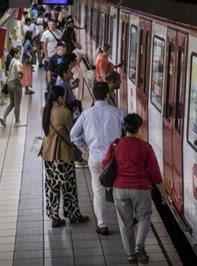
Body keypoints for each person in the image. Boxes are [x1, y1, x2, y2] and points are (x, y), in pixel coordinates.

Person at [101, 113, 167, 264]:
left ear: (124, 127)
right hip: (141, 188)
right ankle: (139, 245)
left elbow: (104, 165)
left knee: (125, 222)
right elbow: (155, 172)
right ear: (139, 128)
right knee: (144, 217)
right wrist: (162, 191)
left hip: (120, 188)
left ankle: (130, 254)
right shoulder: (146, 147)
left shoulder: (115, 145)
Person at [70, 82, 124, 236]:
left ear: (94, 94)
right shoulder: (118, 113)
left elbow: (73, 134)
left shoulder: (86, 114)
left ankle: (102, 225)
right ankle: (125, 221)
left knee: (98, 192)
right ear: (108, 94)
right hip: (114, 160)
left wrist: (84, 149)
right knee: (118, 191)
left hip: (95, 158)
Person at [41, 86, 90, 227]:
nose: (65, 98)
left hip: (48, 154)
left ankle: (54, 216)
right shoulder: (64, 112)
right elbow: (71, 130)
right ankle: (73, 213)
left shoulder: (43, 111)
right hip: (63, 154)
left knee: (52, 185)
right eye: (64, 96)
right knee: (69, 186)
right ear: (59, 98)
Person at [0, 47, 24, 127]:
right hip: (15, 84)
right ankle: (17, 122)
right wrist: (22, 74)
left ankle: (3, 117)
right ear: (15, 54)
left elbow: (6, 74)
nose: (20, 55)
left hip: (9, 84)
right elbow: (18, 70)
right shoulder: (16, 62)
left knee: (12, 103)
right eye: (19, 53)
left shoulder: (11, 61)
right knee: (17, 104)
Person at [21, 30, 35, 95]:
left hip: (27, 62)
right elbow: (25, 50)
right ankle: (27, 90)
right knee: (27, 75)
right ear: (30, 35)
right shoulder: (28, 41)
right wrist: (29, 55)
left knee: (28, 74)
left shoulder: (27, 41)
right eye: (32, 34)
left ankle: (27, 89)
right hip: (26, 62)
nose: (33, 35)